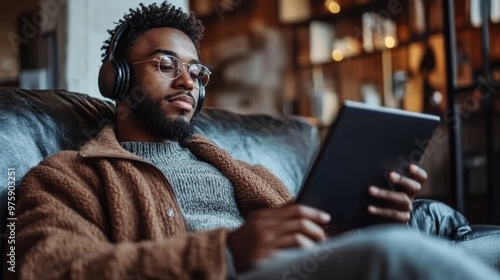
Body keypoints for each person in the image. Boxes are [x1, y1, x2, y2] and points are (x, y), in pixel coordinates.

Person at [10, 2, 500, 280]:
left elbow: (324, 248)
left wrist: (372, 220)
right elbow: (44, 267)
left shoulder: (247, 172)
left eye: (197, 72)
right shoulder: (65, 177)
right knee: (395, 256)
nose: (188, 83)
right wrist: (225, 253)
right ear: (115, 79)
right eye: (165, 66)